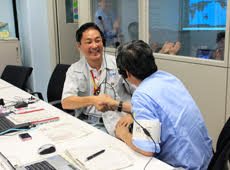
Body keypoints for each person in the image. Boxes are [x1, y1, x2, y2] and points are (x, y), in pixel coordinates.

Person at [99, 40, 213, 169]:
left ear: (127, 73)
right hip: (207, 159)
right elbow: (158, 109)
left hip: (186, 166)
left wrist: (122, 134)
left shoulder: (141, 95)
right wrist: (117, 105)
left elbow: (146, 149)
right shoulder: (168, 78)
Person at [61, 22, 132, 136]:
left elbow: (139, 94)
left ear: (103, 42)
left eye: (97, 40)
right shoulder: (74, 70)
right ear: (79, 46)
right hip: (86, 123)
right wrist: (93, 100)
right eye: (89, 42)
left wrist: (131, 115)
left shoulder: (118, 64)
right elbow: (66, 102)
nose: (94, 46)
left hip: (117, 123)